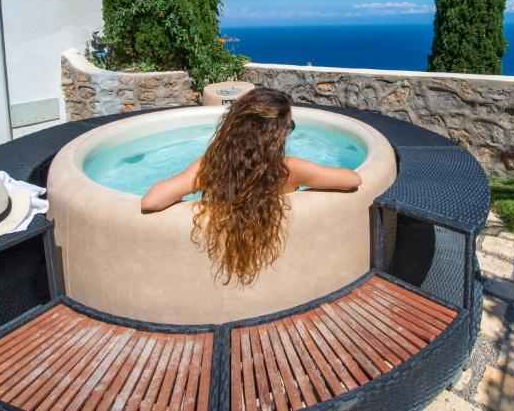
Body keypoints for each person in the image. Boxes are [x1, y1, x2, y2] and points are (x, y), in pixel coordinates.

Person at [140, 88, 361, 284]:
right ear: (275, 134)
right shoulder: (289, 171)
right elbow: (353, 180)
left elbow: (152, 200)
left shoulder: (211, 168)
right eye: (289, 126)